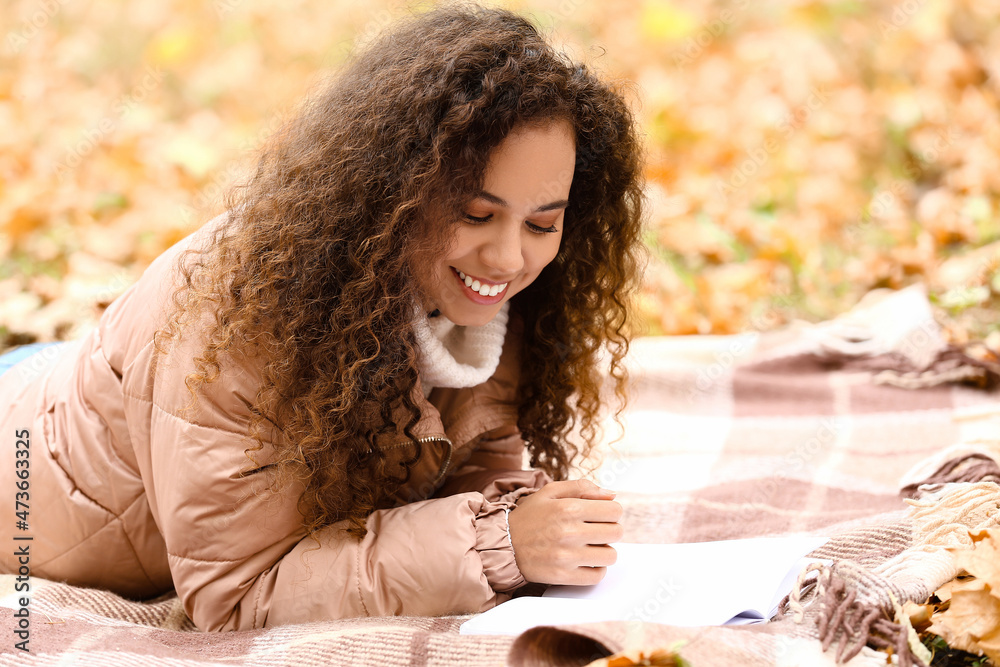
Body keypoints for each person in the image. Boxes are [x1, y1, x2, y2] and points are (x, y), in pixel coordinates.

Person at [0, 4, 644, 631]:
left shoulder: (489, 304)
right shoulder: (240, 316)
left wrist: (525, 515)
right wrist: (494, 542)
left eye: (542, 223)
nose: (507, 257)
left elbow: (474, 462)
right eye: (475, 214)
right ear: (397, 188)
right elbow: (237, 596)